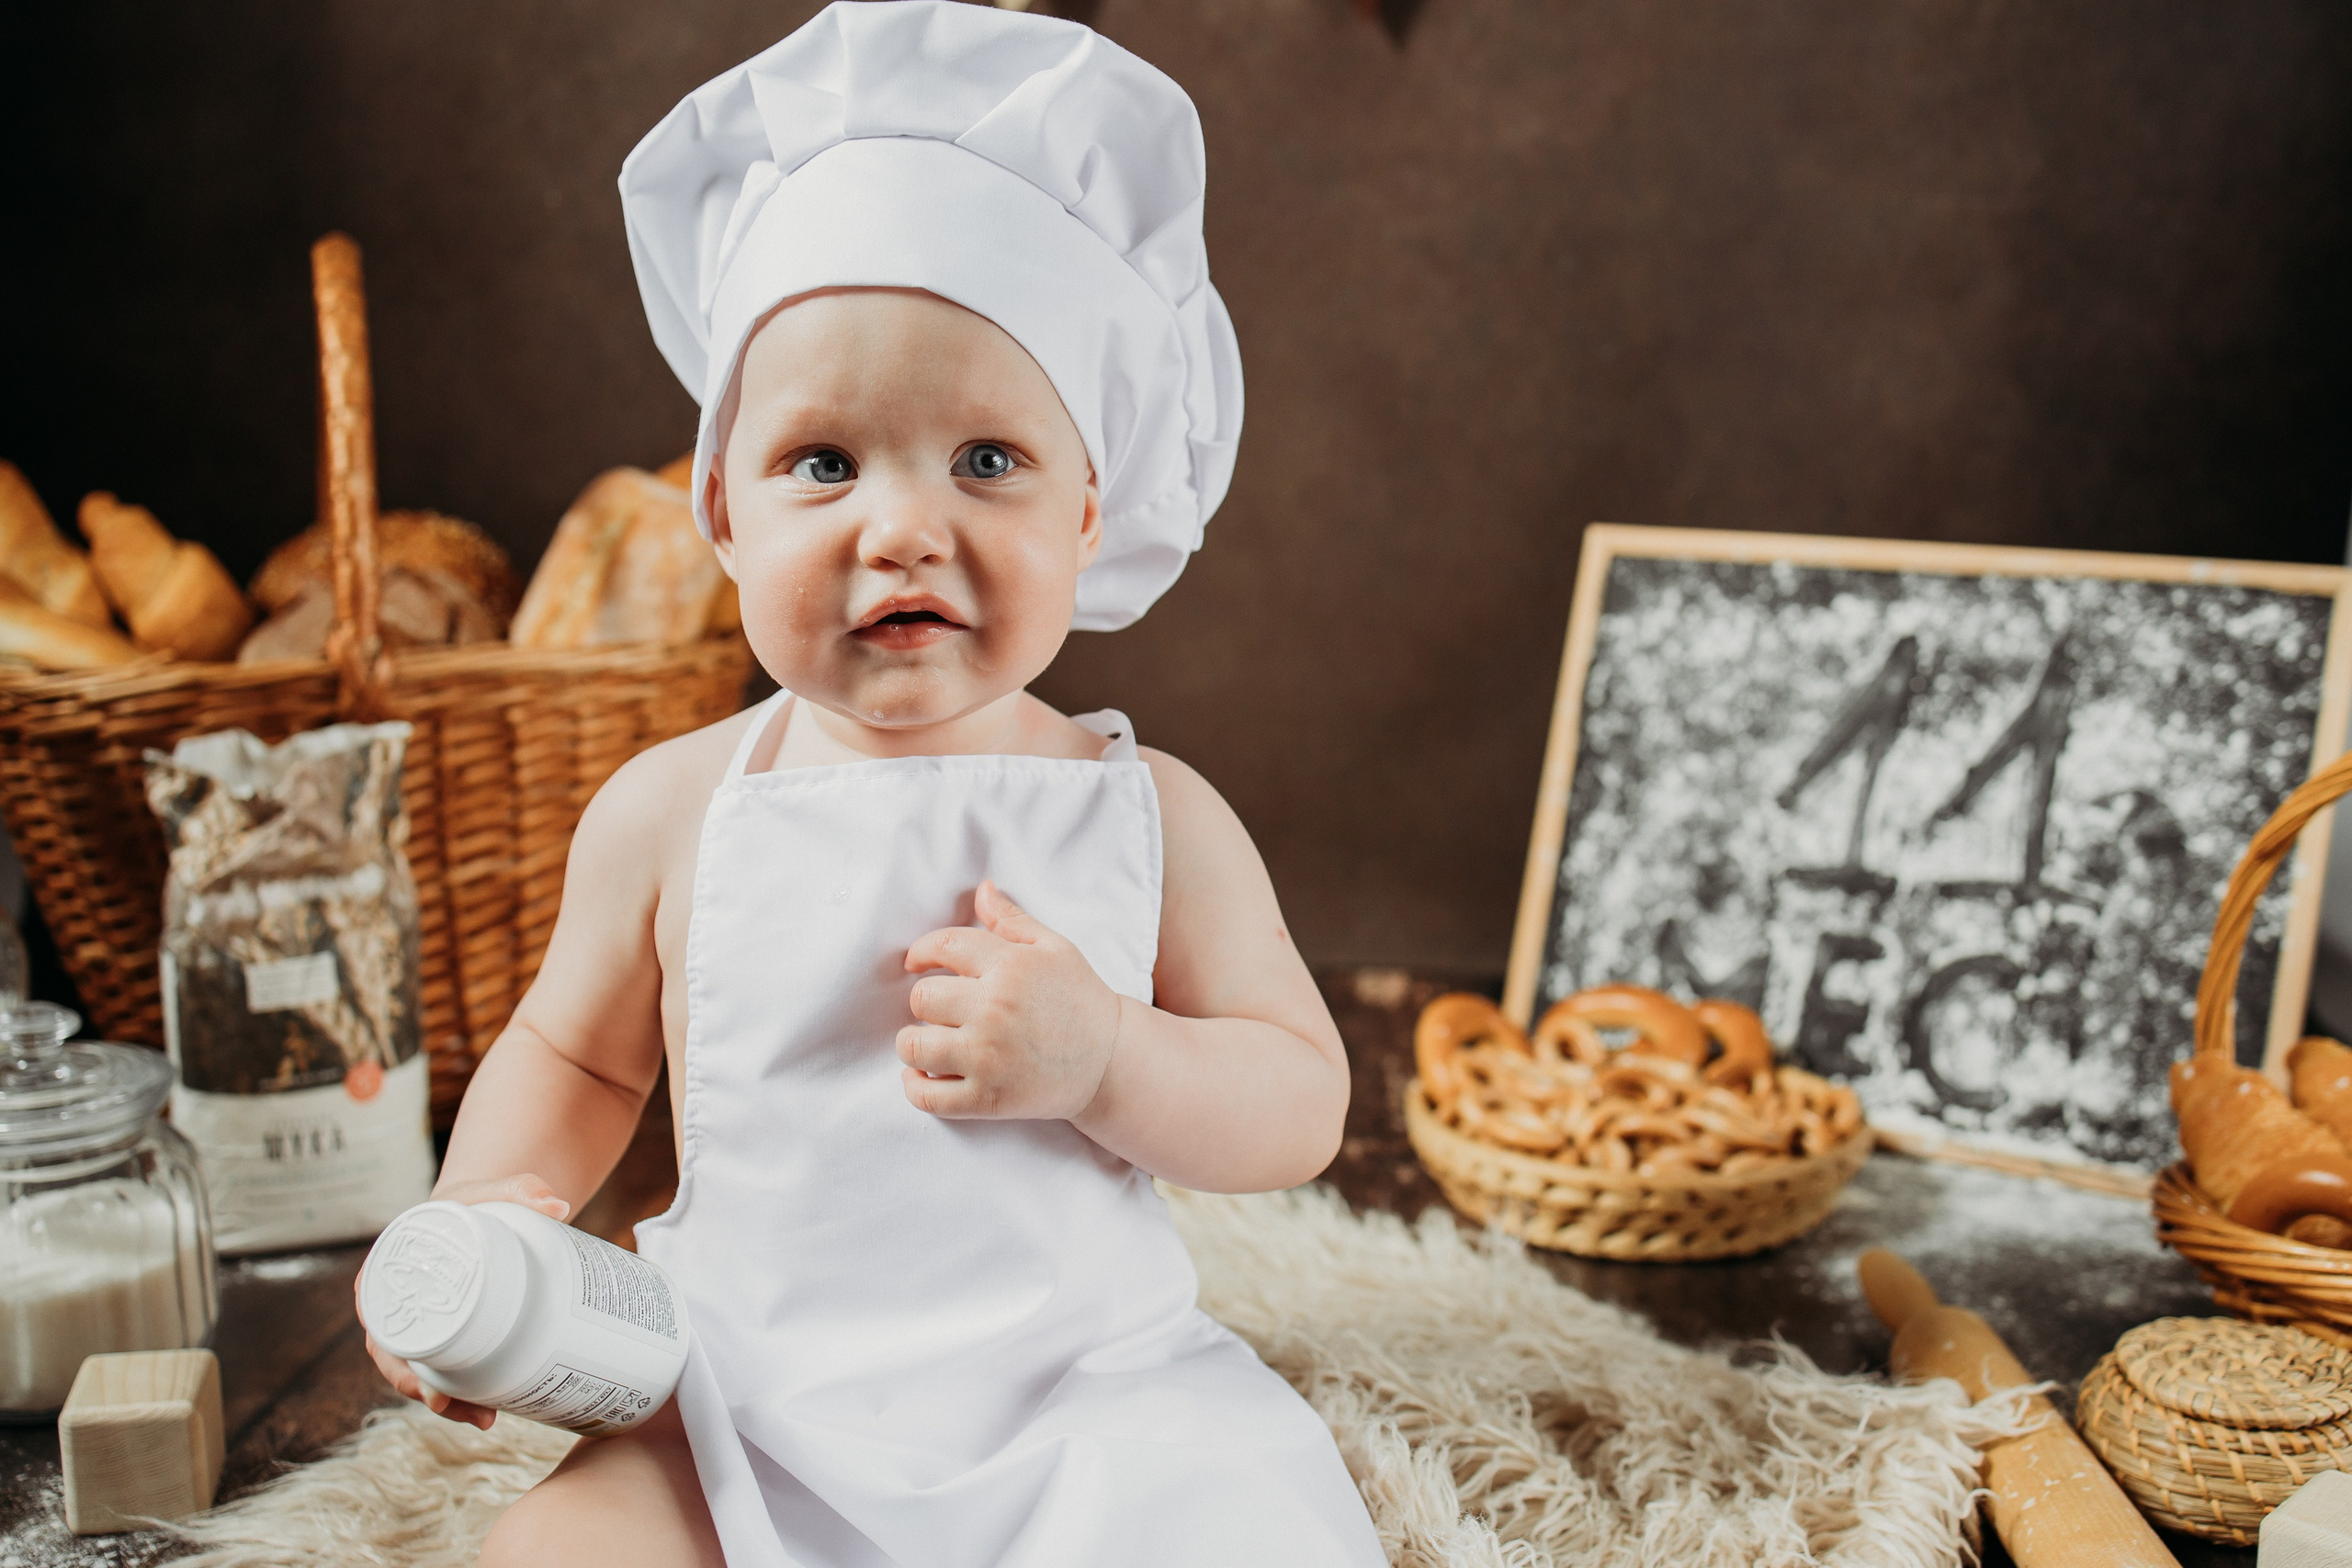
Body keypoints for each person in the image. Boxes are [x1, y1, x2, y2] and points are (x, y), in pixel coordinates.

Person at [358, 6, 1388, 1564]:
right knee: (549, 1557)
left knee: (1227, 1526)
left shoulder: (1147, 812)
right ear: (720, 506)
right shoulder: (667, 807)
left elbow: (1301, 1105)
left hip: (1078, 1394)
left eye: (986, 461)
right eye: (825, 464)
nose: (900, 529)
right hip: (742, 1393)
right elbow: (573, 1061)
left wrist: (1108, 1056)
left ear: (1090, 501)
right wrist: (492, 1208)